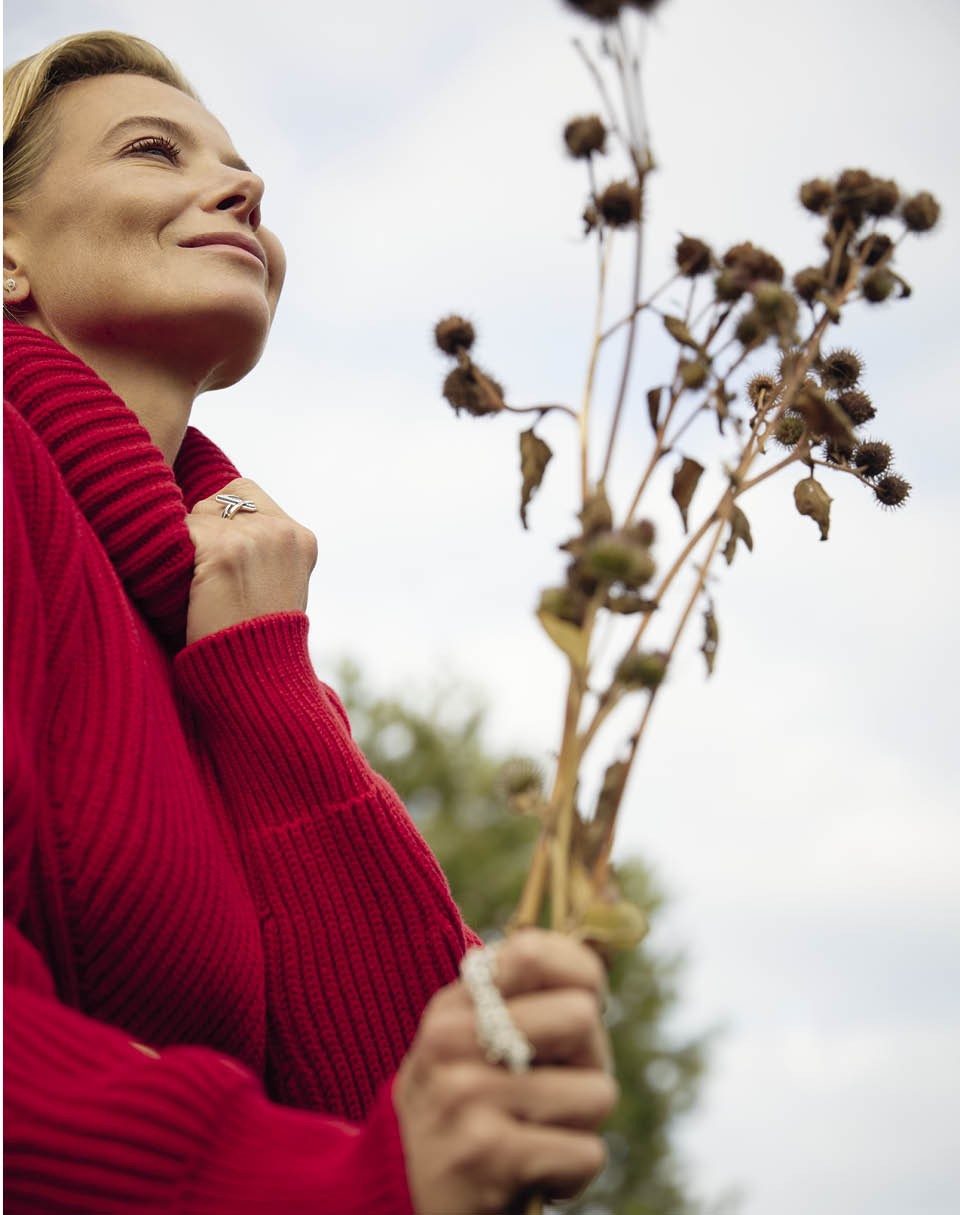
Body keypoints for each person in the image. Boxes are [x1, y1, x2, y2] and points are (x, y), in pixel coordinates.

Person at [3, 31, 617, 1214]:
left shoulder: (233, 623)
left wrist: (263, 680)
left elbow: (400, 1114)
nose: (242, 186)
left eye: (239, 167)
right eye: (154, 151)